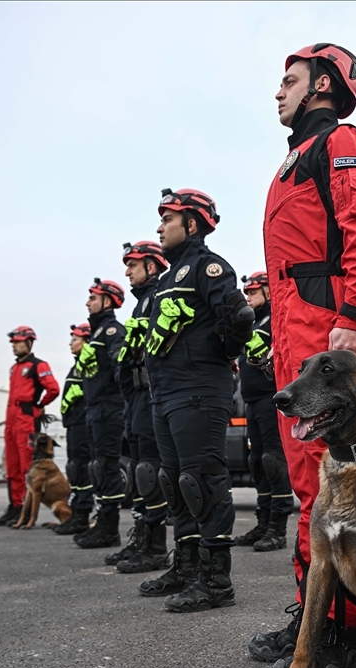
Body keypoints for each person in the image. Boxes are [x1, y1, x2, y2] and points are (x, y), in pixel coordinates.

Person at [252, 44, 356, 668]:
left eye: (289, 81)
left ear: (323, 85)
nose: (278, 92)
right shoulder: (292, 162)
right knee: (308, 489)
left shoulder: (342, 142)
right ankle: (316, 622)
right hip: (293, 335)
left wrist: (354, 318)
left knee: (336, 493)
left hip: (324, 331)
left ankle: (352, 639)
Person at [136, 188, 254, 612]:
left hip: (199, 388)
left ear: (192, 223)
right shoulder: (167, 278)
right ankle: (184, 567)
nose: (159, 227)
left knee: (201, 480)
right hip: (164, 392)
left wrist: (223, 355)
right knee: (173, 481)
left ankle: (216, 581)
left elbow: (240, 316)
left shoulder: (208, 266)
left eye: (166, 219)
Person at [105, 240, 172, 573]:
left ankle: (156, 547)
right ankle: (142, 539)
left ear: (152, 266)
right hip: (133, 397)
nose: (128, 271)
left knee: (148, 470)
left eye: (133, 265)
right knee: (137, 470)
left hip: (149, 395)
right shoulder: (140, 304)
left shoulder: (158, 298)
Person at [234, 271, 293, 552]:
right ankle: (263, 521)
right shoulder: (254, 322)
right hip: (251, 400)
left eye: (253, 292)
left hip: (271, 398)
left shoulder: (276, 318)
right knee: (257, 462)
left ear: (269, 292)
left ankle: (277, 528)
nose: (248, 297)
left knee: (273, 460)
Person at [73, 279, 129, 548]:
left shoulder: (112, 332)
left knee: (107, 466)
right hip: (94, 409)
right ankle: (102, 524)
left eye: (93, 298)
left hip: (110, 408)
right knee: (98, 467)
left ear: (108, 301)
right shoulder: (96, 334)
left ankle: (109, 530)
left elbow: (121, 370)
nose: (87, 302)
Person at [0, 326, 59, 527]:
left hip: (26, 419)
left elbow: (53, 388)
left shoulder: (38, 365)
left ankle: (25, 509)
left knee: (25, 465)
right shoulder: (14, 369)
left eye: (18, 342)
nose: (15, 346)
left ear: (29, 343)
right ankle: (14, 506)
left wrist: (39, 405)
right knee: (11, 466)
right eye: (13, 343)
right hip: (11, 419)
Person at [53, 323, 95, 535]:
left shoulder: (89, 363)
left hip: (83, 423)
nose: (71, 343)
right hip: (74, 423)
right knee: (75, 469)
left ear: (86, 340)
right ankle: (76, 513)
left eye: (75, 339)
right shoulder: (78, 365)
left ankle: (82, 515)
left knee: (82, 468)